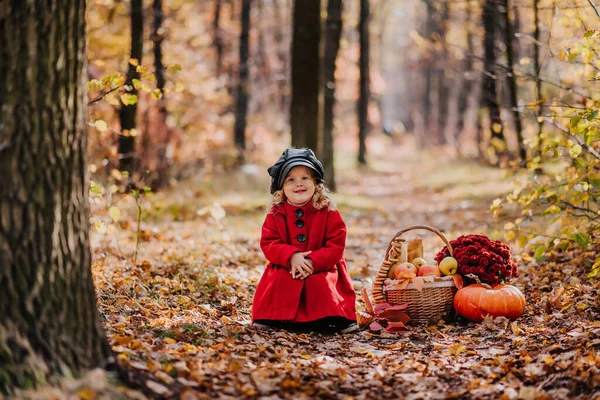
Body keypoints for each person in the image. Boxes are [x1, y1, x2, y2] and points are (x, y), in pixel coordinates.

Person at [252, 148, 358, 334]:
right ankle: (276, 317)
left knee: (321, 284)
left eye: (305, 178)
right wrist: (292, 256)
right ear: (282, 187)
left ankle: (331, 319)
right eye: (291, 179)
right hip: (287, 266)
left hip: (322, 266)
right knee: (281, 280)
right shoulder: (276, 214)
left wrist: (312, 261)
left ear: (316, 183)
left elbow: (336, 245)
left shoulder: (328, 212)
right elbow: (269, 243)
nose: (298, 184)